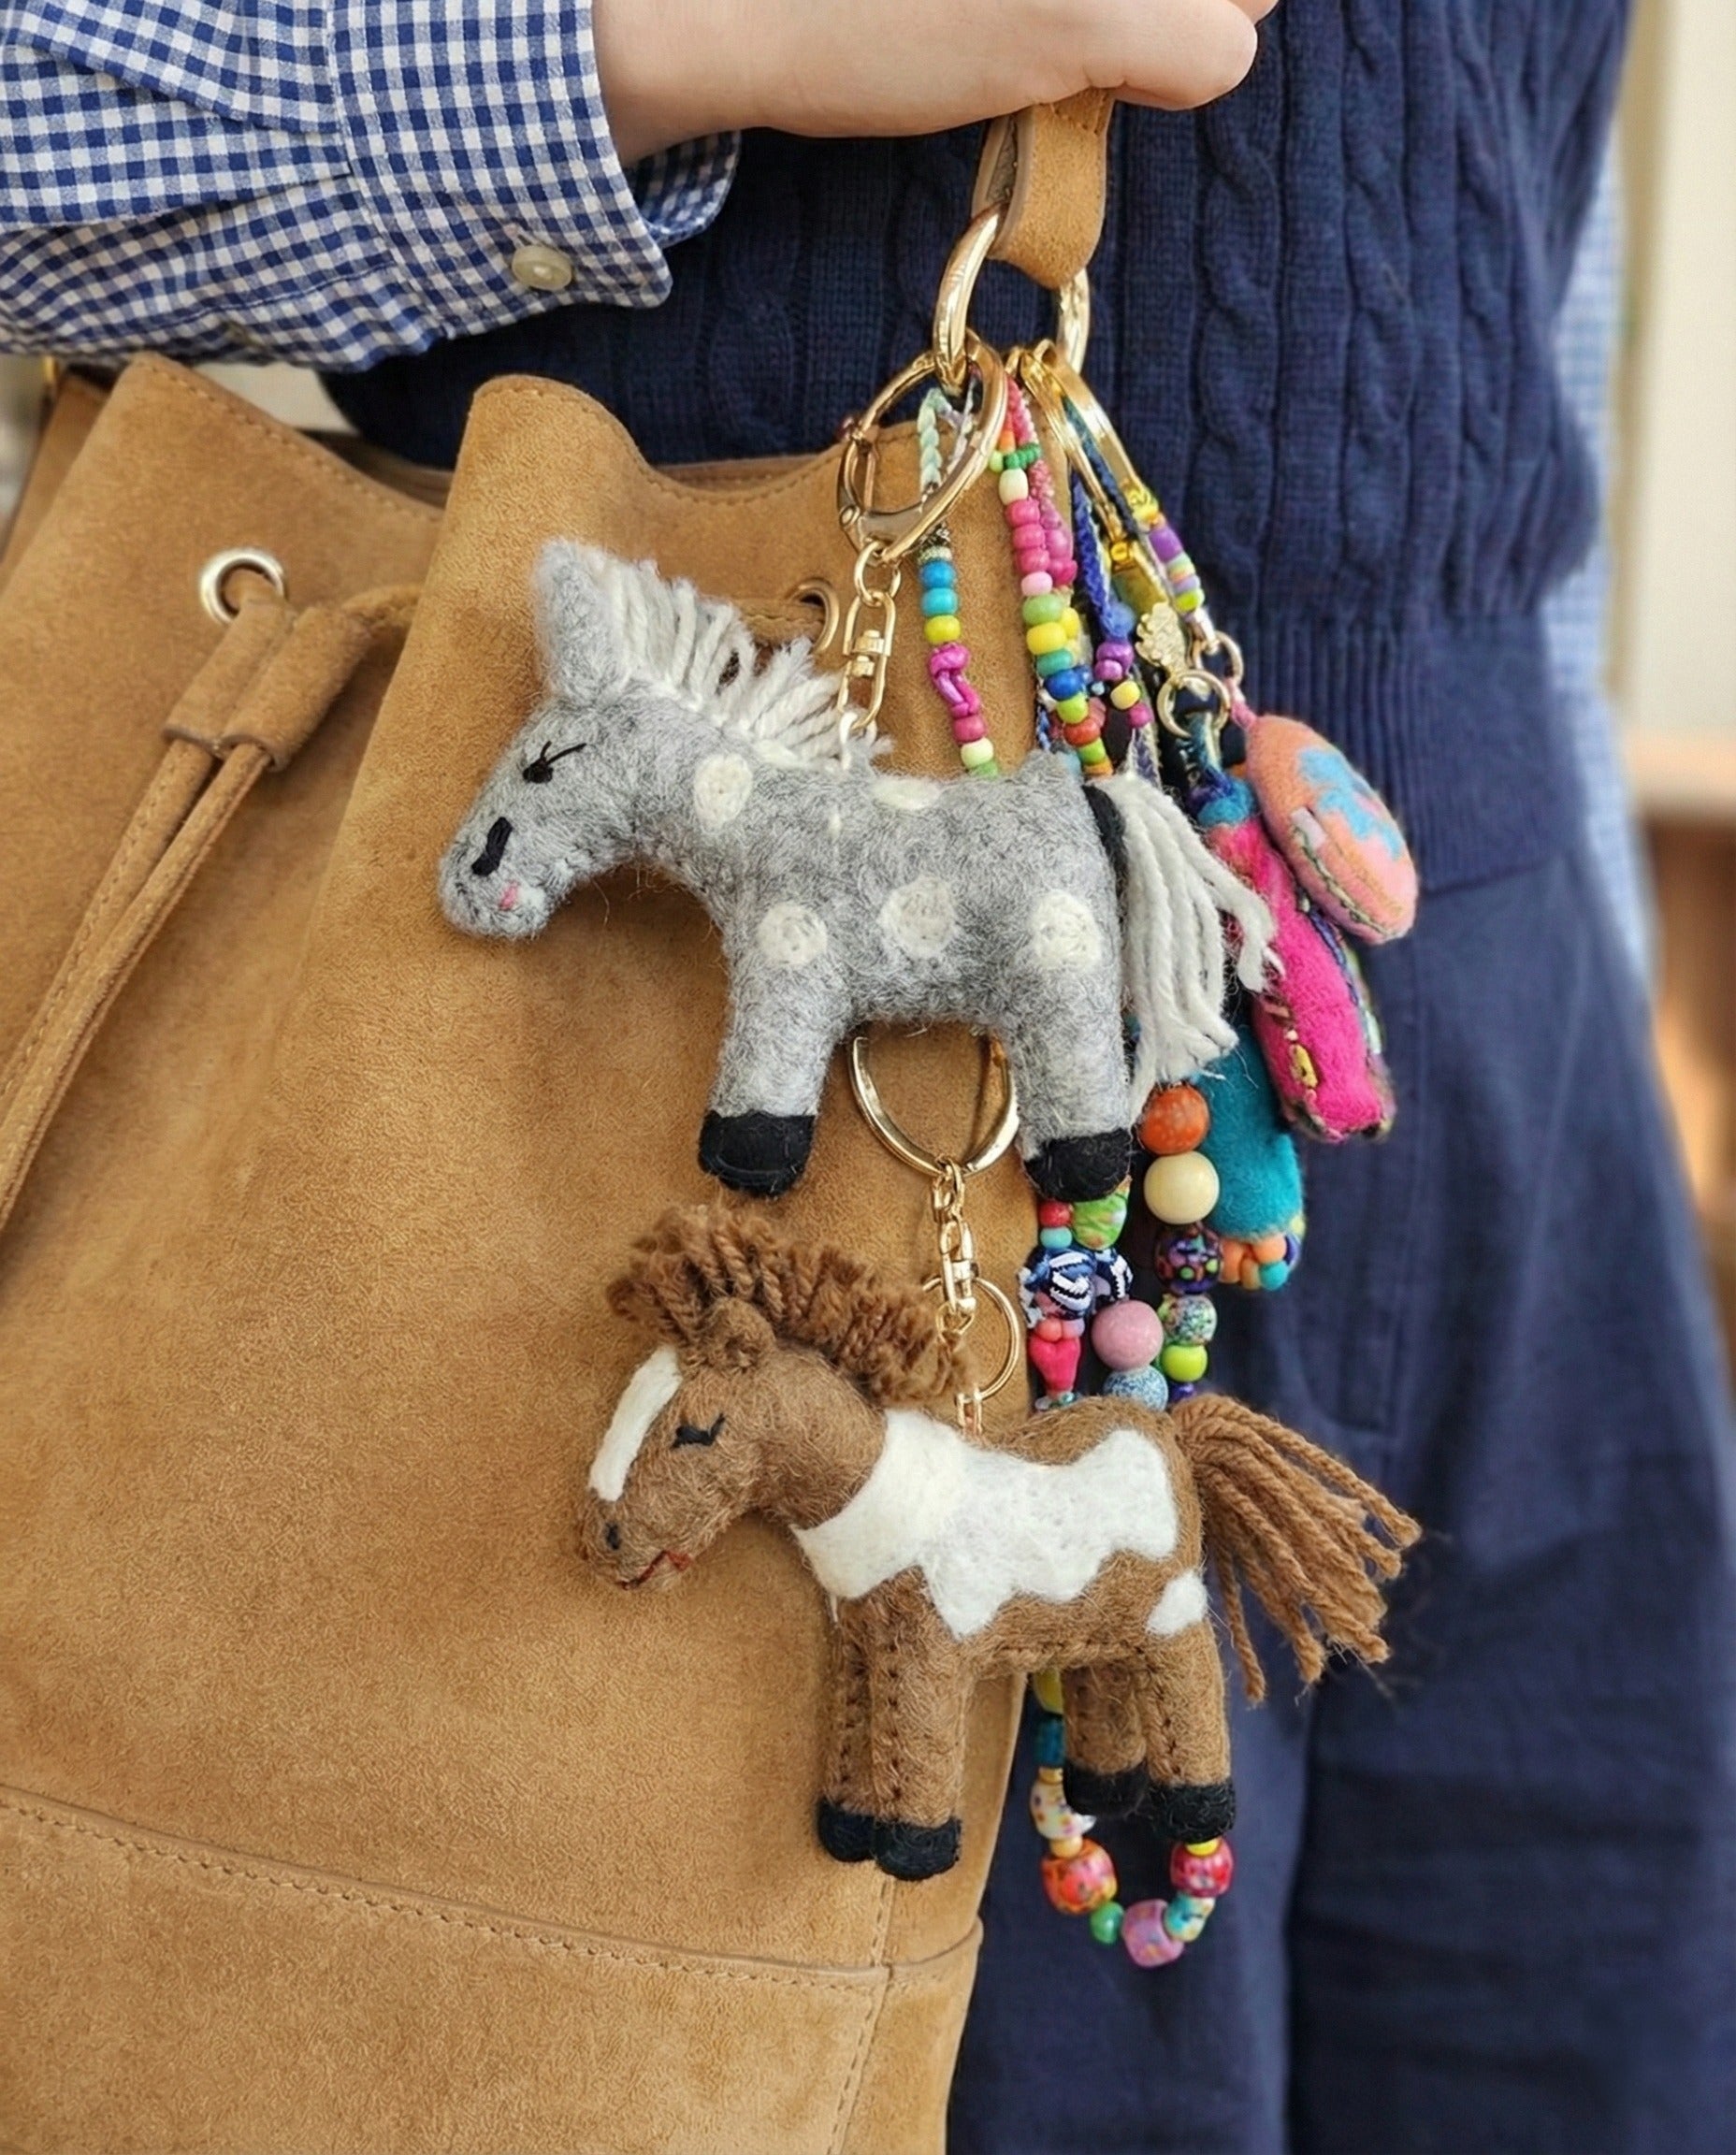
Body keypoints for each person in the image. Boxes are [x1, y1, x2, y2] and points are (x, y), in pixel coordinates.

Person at [4, 3, 1732, 2148]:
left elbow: (1513, 290)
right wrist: (675, 41)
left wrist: (1560, 951)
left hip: (1470, 1052)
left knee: (1574, 2043)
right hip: (682, 1081)